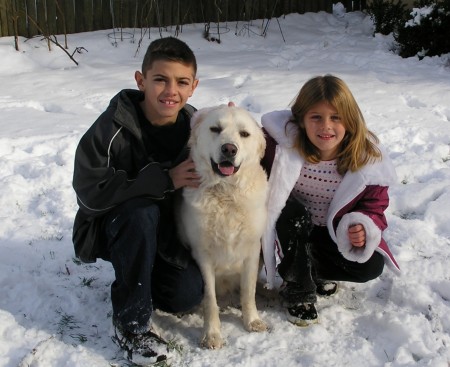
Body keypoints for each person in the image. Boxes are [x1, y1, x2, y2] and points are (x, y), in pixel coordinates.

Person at [72, 37, 203, 365]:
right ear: (141, 80)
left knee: (185, 297)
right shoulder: (112, 126)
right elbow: (89, 192)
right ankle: (130, 323)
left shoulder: (198, 127)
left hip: (168, 233)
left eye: (181, 82)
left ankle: (141, 276)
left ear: (193, 87)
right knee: (141, 212)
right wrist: (164, 179)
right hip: (117, 226)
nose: (170, 90)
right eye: (160, 79)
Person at [260, 75, 400, 327]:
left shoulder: (368, 161)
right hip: (290, 230)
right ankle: (298, 290)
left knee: (370, 266)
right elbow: (244, 141)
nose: (326, 126)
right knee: (291, 212)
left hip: (331, 234)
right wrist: (229, 122)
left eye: (335, 117)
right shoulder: (280, 147)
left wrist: (362, 224)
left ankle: (312, 271)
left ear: (349, 120)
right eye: (316, 117)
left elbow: (374, 206)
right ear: (301, 119)